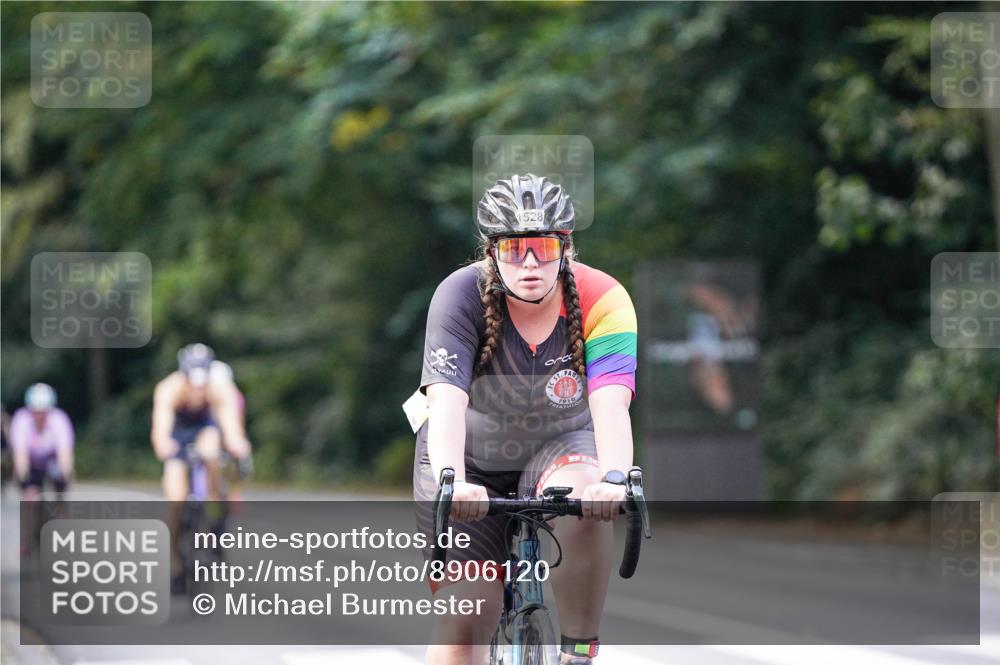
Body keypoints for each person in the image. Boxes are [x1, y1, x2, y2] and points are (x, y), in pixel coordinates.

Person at [411, 174, 638, 665]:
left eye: (543, 247)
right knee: (468, 617)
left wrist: (614, 479)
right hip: (470, 452)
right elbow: (445, 402)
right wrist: (453, 479)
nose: (531, 263)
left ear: (566, 248)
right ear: (492, 251)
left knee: (585, 497)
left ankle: (578, 650)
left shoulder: (605, 298)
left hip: (559, 445)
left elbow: (611, 404)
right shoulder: (460, 294)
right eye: (515, 249)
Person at [151, 343, 251, 591]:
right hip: (179, 434)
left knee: (212, 456)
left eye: (202, 383)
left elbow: (230, 425)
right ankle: (176, 564)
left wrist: (237, 443)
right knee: (175, 499)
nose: (198, 390)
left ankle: (212, 517)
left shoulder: (219, 389)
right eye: (192, 383)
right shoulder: (169, 388)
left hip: (205, 429)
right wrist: (163, 444)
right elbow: (161, 426)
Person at [10, 383, 74, 501]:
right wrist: (24, 479)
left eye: (43, 411)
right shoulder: (22, 419)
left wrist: (65, 474)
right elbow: (20, 454)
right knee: (28, 489)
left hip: (52, 461)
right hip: (31, 462)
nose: (39, 415)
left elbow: (64, 452)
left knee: (62, 478)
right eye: (36, 412)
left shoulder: (59, 419)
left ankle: (60, 508)